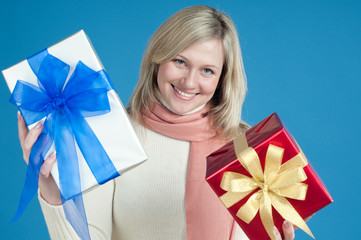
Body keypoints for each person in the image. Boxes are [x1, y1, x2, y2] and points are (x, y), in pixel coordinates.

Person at [17, 5, 299, 240]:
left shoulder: (252, 148)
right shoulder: (111, 135)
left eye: (207, 70)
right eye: (179, 61)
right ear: (158, 59)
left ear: (222, 78)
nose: (189, 82)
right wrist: (53, 193)